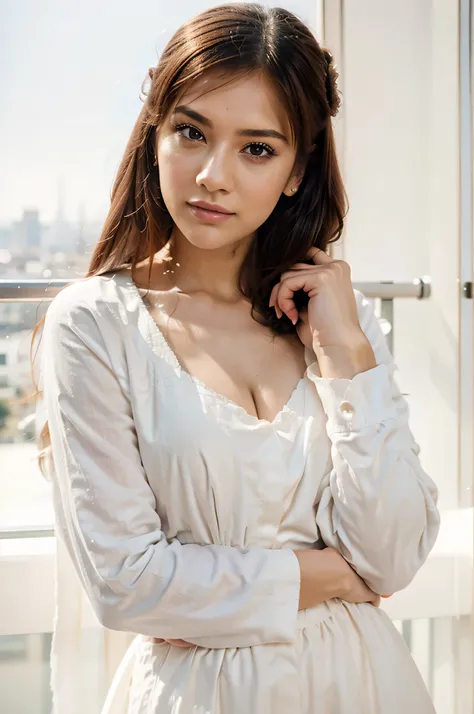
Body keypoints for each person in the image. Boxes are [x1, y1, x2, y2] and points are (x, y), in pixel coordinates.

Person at [32, 3, 440, 713]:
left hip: (366, 685)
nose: (213, 175)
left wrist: (346, 353)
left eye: (257, 148)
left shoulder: (340, 319)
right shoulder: (96, 324)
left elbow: (394, 553)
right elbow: (128, 584)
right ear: (155, 134)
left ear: (294, 170)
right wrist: (334, 577)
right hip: (199, 696)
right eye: (192, 132)